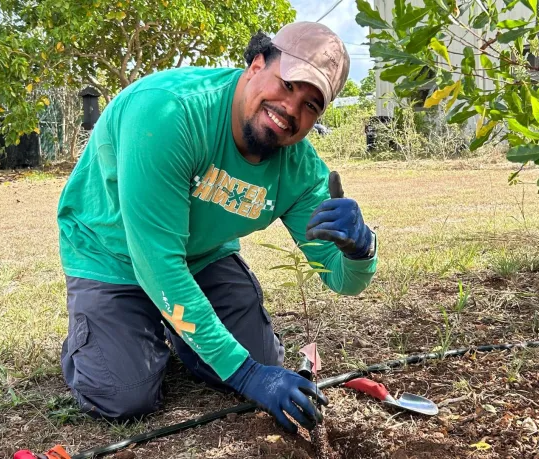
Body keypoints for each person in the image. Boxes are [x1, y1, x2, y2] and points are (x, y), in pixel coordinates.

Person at [57, 21, 378, 434]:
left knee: (261, 359)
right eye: (287, 84)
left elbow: (342, 280)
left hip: (203, 254)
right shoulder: (169, 113)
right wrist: (246, 375)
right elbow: (158, 262)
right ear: (256, 64)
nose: (291, 110)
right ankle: (101, 332)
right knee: (125, 395)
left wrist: (362, 249)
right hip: (110, 251)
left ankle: (180, 328)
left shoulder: (300, 169)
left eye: (312, 105)